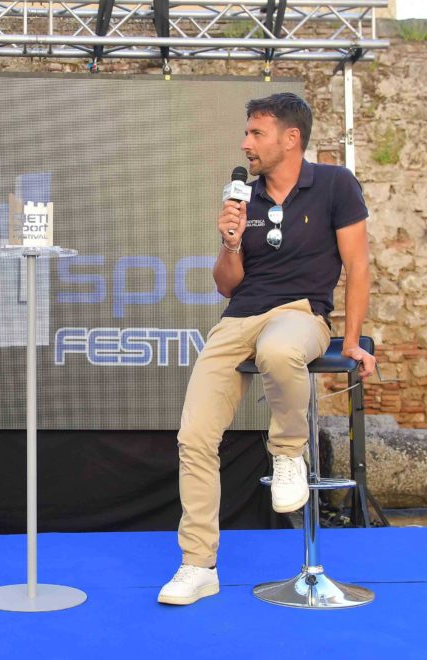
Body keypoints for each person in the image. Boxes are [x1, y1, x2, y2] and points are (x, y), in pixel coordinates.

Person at [157, 93, 375, 606]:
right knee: (194, 436)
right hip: (239, 319)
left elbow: (358, 266)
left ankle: (288, 454)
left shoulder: (335, 184)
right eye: (246, 133)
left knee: (279, 350)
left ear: (290, 139)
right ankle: (198, 565)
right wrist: (230, 242)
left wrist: (350, 339)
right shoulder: (243, 199)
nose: (245, 144)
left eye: (256, 133)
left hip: (301, 313)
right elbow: (226, 285)